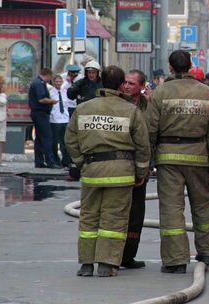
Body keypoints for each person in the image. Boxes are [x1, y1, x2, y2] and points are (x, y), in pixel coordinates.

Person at [65, 65, 150, 277]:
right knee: (114, 219)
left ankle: (86, 265)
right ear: (121, 85)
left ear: (101, 81)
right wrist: (141, 173)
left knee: (89, 218)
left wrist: (81, 164)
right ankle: (107, 264)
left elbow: (70, 139)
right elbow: (143, 146)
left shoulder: (84, 108)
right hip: (121, 173)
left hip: (92, 171)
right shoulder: (131, 110)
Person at [147, 50, 209, 274]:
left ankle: (175, 260)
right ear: (190, 66)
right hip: (198, 157)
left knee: (171, 209)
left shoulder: (160, 93)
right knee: (203, 206)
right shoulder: (207, 93)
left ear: (170, 67)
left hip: (168, 158)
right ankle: (207, 251)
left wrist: (147, 160)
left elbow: (150, 129)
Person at [118, 69, 150, 269]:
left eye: (132, 83)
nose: (127, 86)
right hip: (120, 164)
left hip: (140, 165)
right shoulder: (117, 104)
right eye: (125, 82)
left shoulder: (149, 106)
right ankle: (113, 254)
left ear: (142, 86)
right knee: (117, 212)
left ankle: (128, 256)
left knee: (136, 214)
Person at [28, 68, 59, 168]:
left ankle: (39, 161)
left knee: (40, 139)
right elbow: (41, 99)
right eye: (50, 77)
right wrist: (52, 101)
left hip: (38, 114)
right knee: (47, 137)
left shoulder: (37, 82)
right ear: (48, 75)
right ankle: (50, 162)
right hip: (40, 113)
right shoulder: (39, 83)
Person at [49, 75, 71, 169]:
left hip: (65, 119)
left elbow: (68, 105)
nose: (58, 83)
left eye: (60, 81)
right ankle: (55, 161)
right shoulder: (50, 93)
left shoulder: (65, 92)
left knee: (65, 142)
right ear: (53, 82)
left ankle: (65, 161)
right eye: (57, 81)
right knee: (54, 142)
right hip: (55, 120)